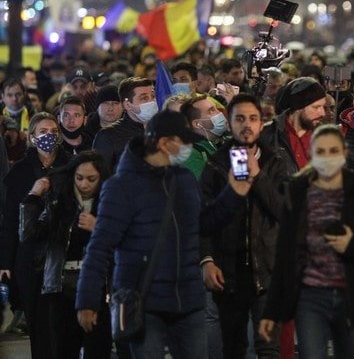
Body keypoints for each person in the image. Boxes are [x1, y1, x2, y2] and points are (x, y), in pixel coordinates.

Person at [75, 110, 253, 359]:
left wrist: (235, 192)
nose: (188, 147)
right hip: (144, 302)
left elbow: (205, 224)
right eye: (183, 141)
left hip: (188, 300)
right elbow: (100, 246)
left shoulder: (184, 179)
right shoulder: (121, 186)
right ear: (163, 143)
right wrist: (87, 301)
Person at [258, 125, 354, 359]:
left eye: (333, 150)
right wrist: (271, 312)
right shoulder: (297, 190)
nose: (327, 157)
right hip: (309, 297)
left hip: (352, 295)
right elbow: (285, 253)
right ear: (312, 155)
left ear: (344, 152)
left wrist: (352, 246)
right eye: (321, 151)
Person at [200, 94, 292, 358]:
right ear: (229, 124)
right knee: (233, 347)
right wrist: (207, 260)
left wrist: (258, 176)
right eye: (239, 119)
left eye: (253, 118)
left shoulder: (276, 162)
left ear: (262, 124)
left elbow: (285, 211)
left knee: (268, 348)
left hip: (268, 271)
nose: (246, 125)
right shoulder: (215, 164)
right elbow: (204, 219)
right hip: (228, 273)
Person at [19, 151, 112, 359]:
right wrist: (33, 196)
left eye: (91, 179)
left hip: (100, 288)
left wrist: (100, 228)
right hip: (61, 288)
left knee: (98, 349)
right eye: (79, 178)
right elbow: (28, 234)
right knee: (62, 349)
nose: (84, 185)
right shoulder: (59, 203)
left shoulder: (111, 205)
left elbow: (126, 243)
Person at [0, 112, 70, 359]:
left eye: (53, 132)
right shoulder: (19, 172)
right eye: (43, 132)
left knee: (63, 322)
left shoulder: (71, 166)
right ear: (32, 137)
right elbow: (10, 220)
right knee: (38, 322)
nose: (48, 136)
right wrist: (5, 263)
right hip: (29, 255)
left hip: (63, 252)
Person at [92, 77, 156, 170]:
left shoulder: (162, 130)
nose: (152, 102)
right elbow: (99, 175)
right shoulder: (108, 136)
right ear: (127, 105)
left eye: (153, 96)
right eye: (144, 98)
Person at [181, 94, 229, 179]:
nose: (219, 113)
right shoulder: (191, 155)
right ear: (198, 124)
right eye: (211, 111)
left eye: (216, 108)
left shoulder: (227, 138)